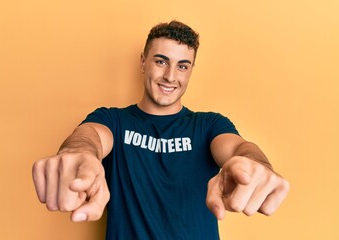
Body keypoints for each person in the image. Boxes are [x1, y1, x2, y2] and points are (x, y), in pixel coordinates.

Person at [32, 20, 289, 239]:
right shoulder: (113, 120)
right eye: (161, 61)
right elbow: (90, 136)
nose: (170, 76)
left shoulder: (209, 124)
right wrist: (79, 152)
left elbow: (238, 148)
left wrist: (255, 163)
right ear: (143, 62)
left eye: (182, 65)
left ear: (191, 71)